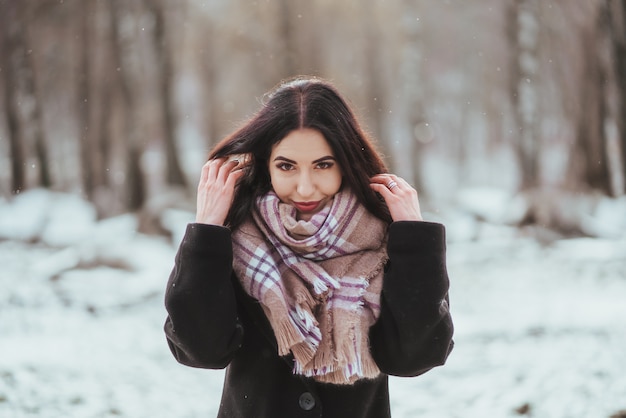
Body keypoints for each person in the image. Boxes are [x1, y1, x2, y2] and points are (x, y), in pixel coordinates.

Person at [163, 76, 454, 418]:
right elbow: (201, 350)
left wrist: (415, 240)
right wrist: (208, 228)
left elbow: (415, 357)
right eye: (286, 166)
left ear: (347, 163)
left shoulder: (385, 240)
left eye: (323, 165)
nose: (304, 188)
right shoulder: (236, 239)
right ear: (265, 164)